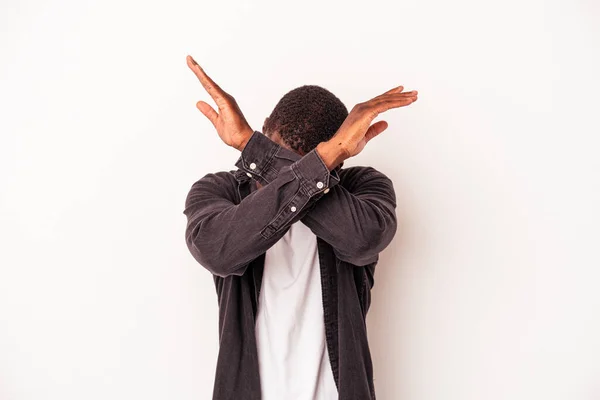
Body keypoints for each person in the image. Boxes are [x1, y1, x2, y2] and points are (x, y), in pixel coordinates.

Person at [182, 55, 418, 400]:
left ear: (342, 156)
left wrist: (255, 149)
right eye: (282, 158)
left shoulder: (363, 187)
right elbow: (219, 251)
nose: (295, 172)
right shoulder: (222, 190)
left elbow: (363, 239)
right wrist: (320, 161)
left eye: (311, 162)